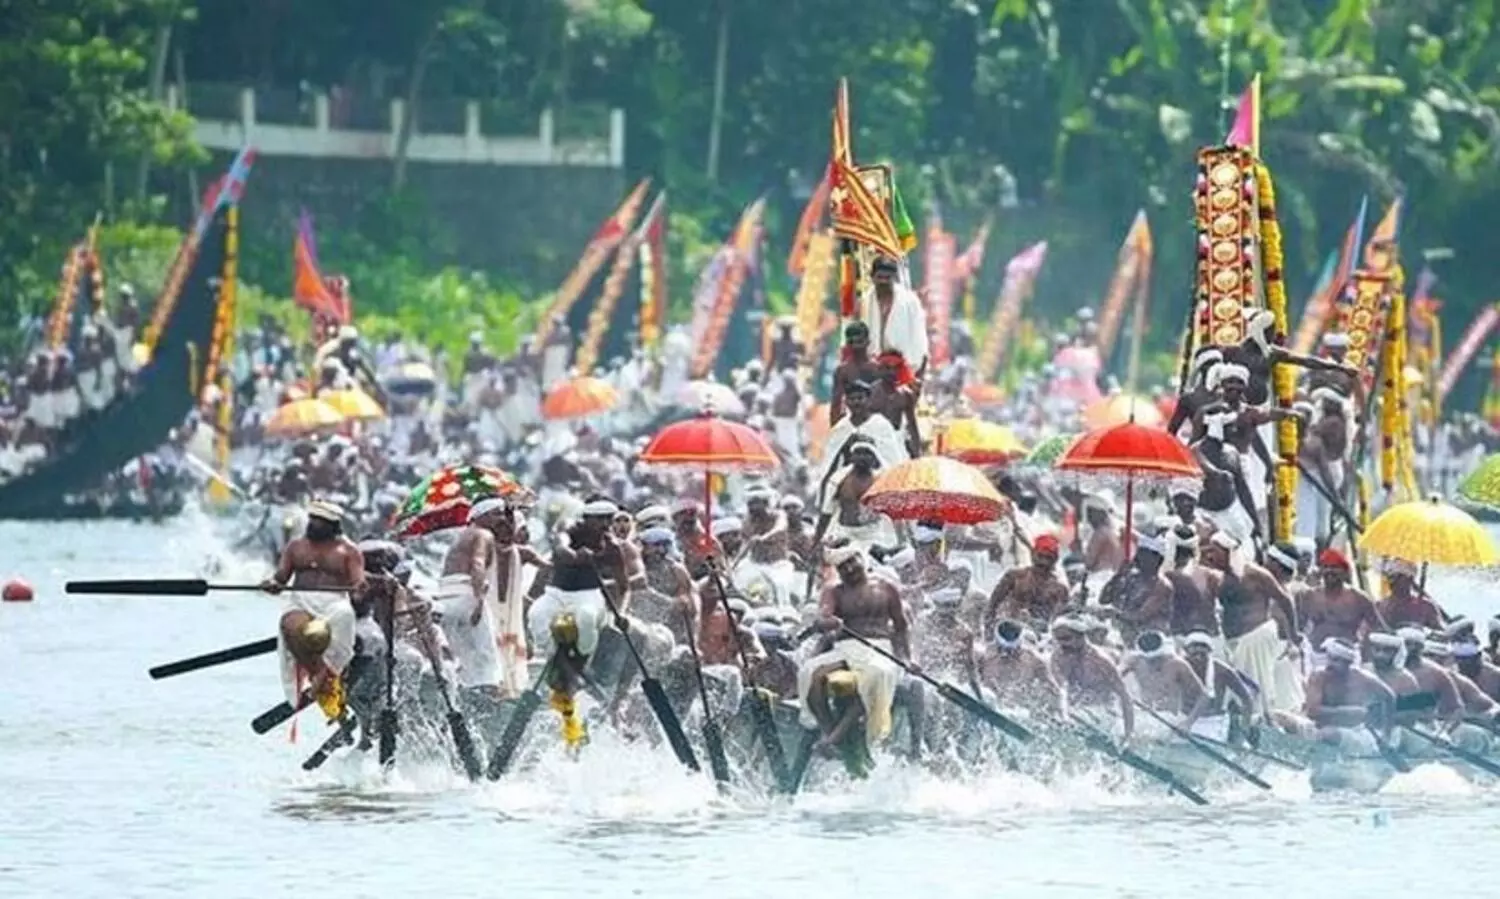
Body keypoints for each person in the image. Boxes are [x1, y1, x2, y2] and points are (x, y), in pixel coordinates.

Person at [798, 545, 911, 753]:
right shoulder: (834, 591)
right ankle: (829, 733)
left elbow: (901, 627)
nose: (849, 569)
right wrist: (828, 621)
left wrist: (907, 659)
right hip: (846, 646)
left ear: (862, 560)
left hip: (879, 648)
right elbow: (824, 616)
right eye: (842, 567)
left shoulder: (886, 588)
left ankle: (834, 739)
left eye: (852, 562)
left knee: (872, 677)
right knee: (811, 673)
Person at [260, 499, 364, 710]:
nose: (314, 524)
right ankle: (322, 678)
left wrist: (361, 589)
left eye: (320, 521)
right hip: (301, 600)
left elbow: (357, 583)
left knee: (344, 615)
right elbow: (281, 578)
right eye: (312, 519)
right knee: (290, 626)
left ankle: (327, 676)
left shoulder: (349, 551)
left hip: (334, 603)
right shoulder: (295, 547)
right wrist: (272, 585)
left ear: (332, 525)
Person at [1121, 630, 1212, 738]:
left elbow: (1204, 696)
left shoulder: (1178, 664)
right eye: (1148, 659)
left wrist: (1188, 723)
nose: (1153, 662)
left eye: (1156, 659)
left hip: (1169, 720)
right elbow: (1114, 675)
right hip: (1145, 716)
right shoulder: (1133, 660)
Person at [984, 533, 1068, 634]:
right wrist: (989, 631)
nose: (1043, 562)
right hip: (1010, 630)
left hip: (1040, 635)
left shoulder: (1060, 590)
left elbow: (1060, 622)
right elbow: (992, 606)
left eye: (1048, 558)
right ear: (1033, 555)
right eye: (1040, 556)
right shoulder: (1014, 577)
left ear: (1055, 560)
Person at [860, 255, 929, 378]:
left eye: (887, 278)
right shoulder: (866, 301)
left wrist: (917, 370)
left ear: (895, 278)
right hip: (873, 368)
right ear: (872, 277)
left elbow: (919, 338)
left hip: (903, 368)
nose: (883, 282)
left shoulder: (910, 301)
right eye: (880, 277)